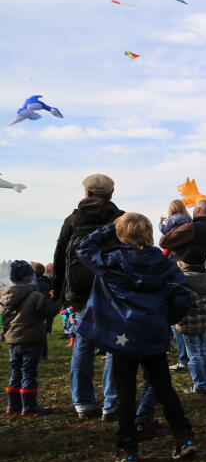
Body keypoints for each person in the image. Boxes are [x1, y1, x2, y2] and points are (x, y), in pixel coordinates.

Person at [74, 213, 197, 462]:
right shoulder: (164, 263)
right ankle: (184, 438)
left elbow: (84, 248)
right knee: (164, 387)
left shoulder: (111, 260)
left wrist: (111, 226)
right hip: (153, 332)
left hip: (122, 337)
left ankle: (127, 449)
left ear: (121, 233)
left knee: (125, 392)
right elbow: (182, 295)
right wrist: (164, 319)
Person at [52, 173, 123, 420]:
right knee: (116, 344)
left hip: (80, 291)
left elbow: (60, 256)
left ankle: (83, 403)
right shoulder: (121, 218)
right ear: (111, 194)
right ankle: (112, 403)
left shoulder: (73, 219)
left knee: (83, 344)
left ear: (88, 193)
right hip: (113, 288)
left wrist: (60, 293)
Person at [159, 199, 206, 371]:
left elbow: (164, 242)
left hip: (184, 274)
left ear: (198, 209)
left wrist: (167, 228)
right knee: (200, 338)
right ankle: (201, 375)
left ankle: (189, 365)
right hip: (199, 273)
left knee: (181, 320)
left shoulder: (192, 227)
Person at [2, 260, 54, 416]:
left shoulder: (5, 296)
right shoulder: (35, 296)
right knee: (29, 372)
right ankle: (29, 406)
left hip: (12, 340)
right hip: (31, 340)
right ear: (30, 277)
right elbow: (46, 312)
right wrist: (56, 302)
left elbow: (3, 318)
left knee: (15, 371)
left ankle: (13, 405)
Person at [174, 262, 206, 394]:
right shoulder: (204, 276)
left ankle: (200, 385)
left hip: (189, 323)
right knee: (203, 352)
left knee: (194, 356)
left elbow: (179, 303)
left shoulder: (181, 279)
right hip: (202, 321)